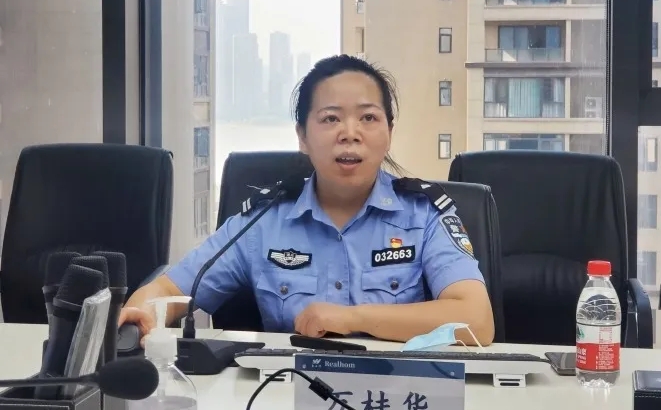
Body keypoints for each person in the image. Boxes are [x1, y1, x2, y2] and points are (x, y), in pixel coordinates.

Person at [119, 54, 495, 346]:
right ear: (302, 136)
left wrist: (354, 319)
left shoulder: (424, 216)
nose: (350, 133)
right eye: (331, 119)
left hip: (401, 397)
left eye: (368, 118)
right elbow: (169, 290)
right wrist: (140, 312)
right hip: (289, 397)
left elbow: (476, 322)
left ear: (389, 132)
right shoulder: (262, 223)